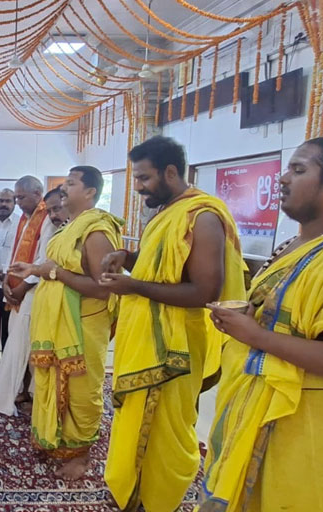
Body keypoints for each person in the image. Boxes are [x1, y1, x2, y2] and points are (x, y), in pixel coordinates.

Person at [98, 136, 246, 512]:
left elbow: (202, 290)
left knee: (166, 434)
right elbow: (162, 267)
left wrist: (131, 285)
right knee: (136, 423)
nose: (139, 187)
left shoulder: (203, 216)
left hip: (174, 348)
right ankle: (135, 493)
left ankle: (158, 500)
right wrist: (127, 255)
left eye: (145, 178)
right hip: (148, 338)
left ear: (170, 172)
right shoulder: (166, 212)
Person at [201, 138, 323, 511]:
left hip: (298, 422)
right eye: (287, 168)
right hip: (248, 401)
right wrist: (248, 321)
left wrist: (254, 335)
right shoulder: (293, 245)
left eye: (299, 170)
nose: (283, 179)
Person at [10, 166, 123, 479]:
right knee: (53, 383)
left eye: (71, 184)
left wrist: (51, 273)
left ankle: (81, 455)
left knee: (82, 391)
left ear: (90, 192)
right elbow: (57, 267)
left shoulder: (96, 230)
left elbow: (102, 287)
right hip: (59, 322)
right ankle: (57, 441)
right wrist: (34, 269)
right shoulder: (71, 227)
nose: (63, 189)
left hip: (82, 325)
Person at [0, 175, 56, 416]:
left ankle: (25, 394)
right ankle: (22, 390)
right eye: (15, 197)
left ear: (37, 195)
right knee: (18, 343)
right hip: (17, 287)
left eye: (21, 197)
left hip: (35, 291)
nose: (17, 202)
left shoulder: (47, 217)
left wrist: (23, 286)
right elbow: (16, 251)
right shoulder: (25, 219)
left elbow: (44, 259)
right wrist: (8, 279)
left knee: (24, 344)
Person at [0, 188, 20, 353]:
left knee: (8, 322)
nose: (4, 204)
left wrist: (7, 274)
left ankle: (6, 356)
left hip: (9, 282)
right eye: (1, 200)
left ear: (14, 203)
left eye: (8, 201)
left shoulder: (20, 223)